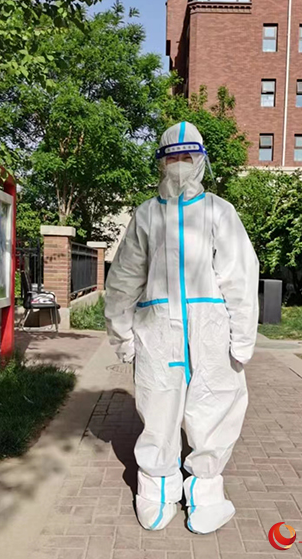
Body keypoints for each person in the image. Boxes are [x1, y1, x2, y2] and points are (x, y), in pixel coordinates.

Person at [105, 122, 259, 535]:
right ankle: (157, 487)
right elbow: (124, 277)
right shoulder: (146, 214)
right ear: (160, 162)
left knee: (216, 404)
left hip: (211, 332)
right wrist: (122, 332)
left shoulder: (218, 211)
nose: (179, 165)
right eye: (172, 157)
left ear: (200, 161)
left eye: (186, 157)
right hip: (157, 332)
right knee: (158, 406)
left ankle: (206, 489)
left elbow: (240, 276)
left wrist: (243, 337)